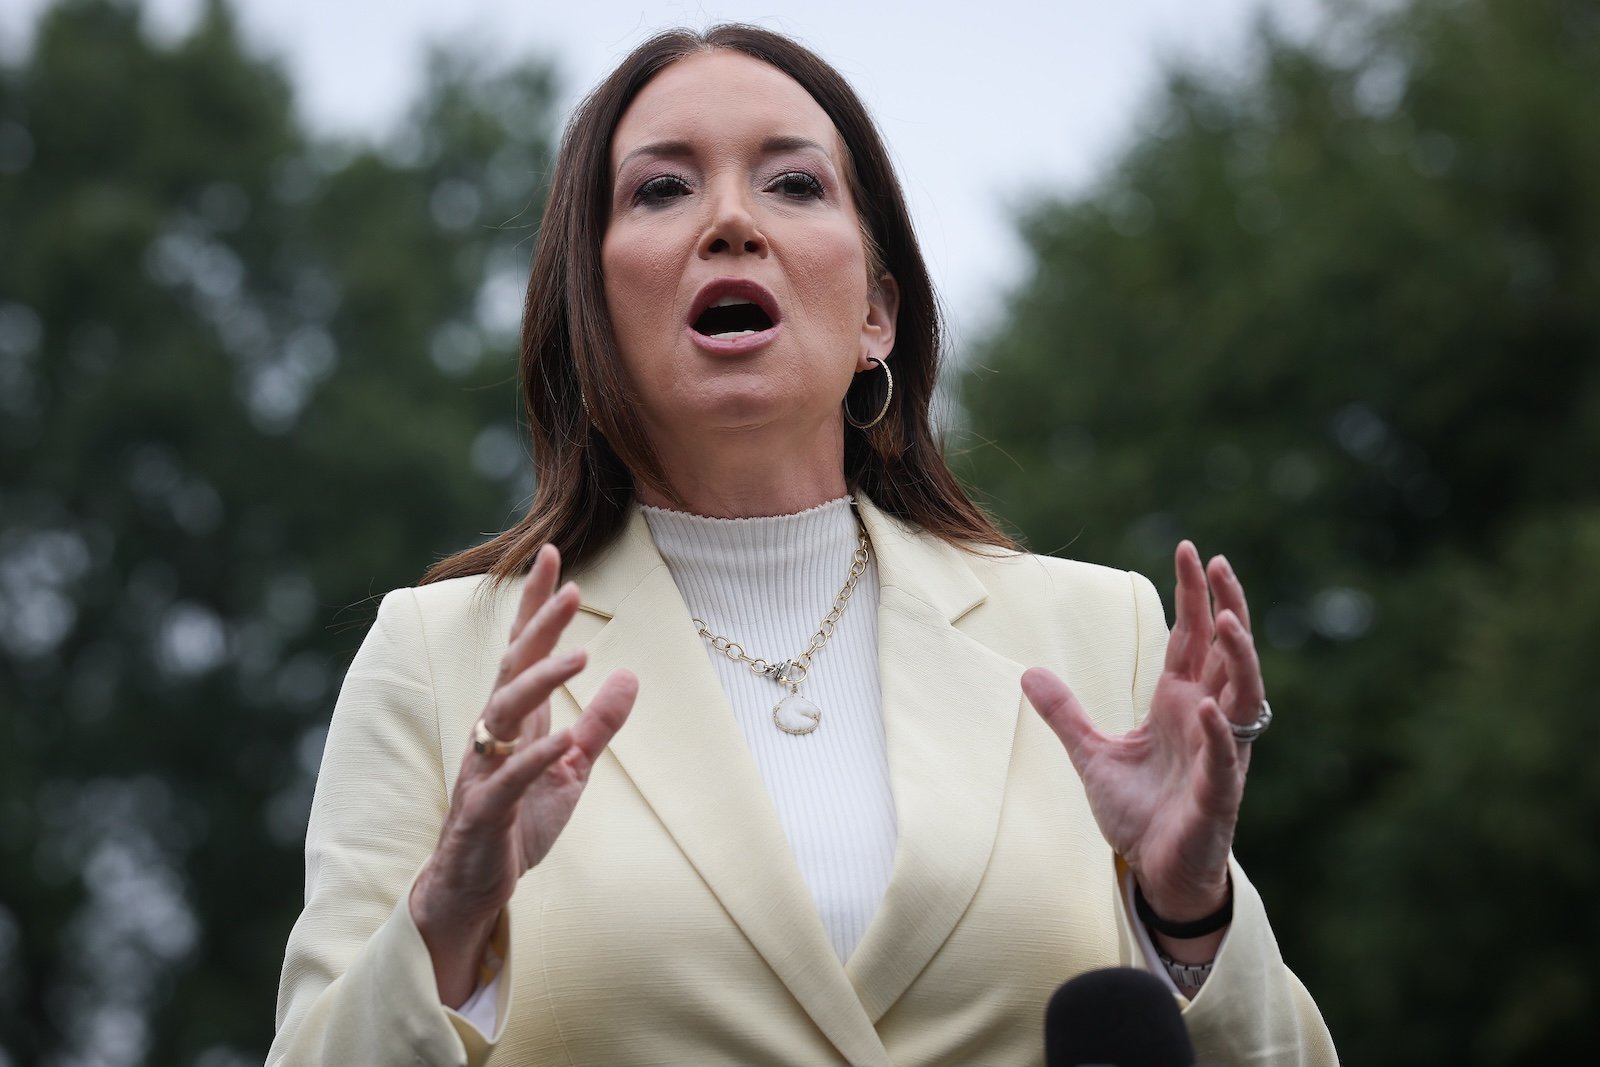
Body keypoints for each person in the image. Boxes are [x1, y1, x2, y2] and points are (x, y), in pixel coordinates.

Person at [268, 24, 1337, 1067]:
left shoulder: (1099, 632)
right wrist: (445, 917)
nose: (731, 220)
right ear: (590, 307)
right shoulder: (440, 655)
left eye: (792, 183)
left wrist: (1186, 913)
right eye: (660, 188)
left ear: (877, 312)